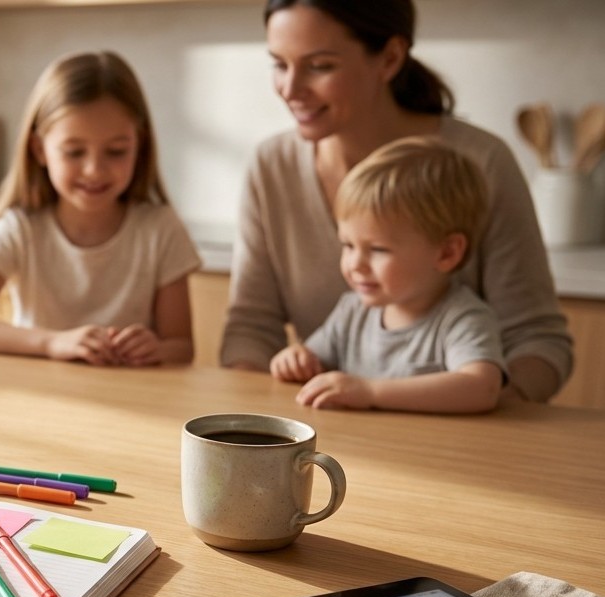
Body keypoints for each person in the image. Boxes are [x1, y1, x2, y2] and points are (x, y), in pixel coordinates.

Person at [223, 0, 572, 401]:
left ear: (390, 58)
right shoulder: (271, 165)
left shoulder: (481, 162)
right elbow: (250, 330)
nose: (289, 90)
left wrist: (470, 407)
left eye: (319, 66)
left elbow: (537, 340)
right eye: (279, 65)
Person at [0, 51, 201, 366]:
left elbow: (181, 346)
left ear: (139, 147)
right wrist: (51, 342)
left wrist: (155, 349)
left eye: (116, 151)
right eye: (74, 152)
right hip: (38, 392)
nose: (94, 170)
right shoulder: (21, 230)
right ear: (39, 150)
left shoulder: (161, 229)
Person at [270, 136, 505, 412]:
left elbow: (483, 388)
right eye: (348, 245)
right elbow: (313, 363)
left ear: (447, 253)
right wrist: (295, 359)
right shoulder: (351, 312)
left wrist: (370, 392)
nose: (355, 264)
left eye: (378, 249)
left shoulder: (463, 318)